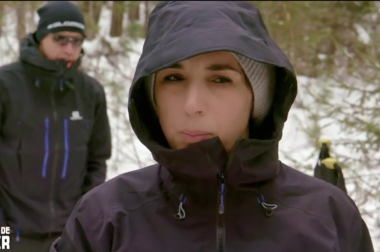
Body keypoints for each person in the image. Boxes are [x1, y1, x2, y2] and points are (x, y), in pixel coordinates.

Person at [51, 1, 374, 252]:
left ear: (258, 98)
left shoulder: (327, 216)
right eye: (173, 78)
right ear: (151, 97)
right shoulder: (105, 217)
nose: (192, 105)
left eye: (220, 79)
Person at [0, 1, 111, 251]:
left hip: (69, 231)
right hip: (8, 231)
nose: (69, 48)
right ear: (41, 37)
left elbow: (98, 160)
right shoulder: (5, 85)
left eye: (77, 40)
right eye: (60, 39)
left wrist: (86, 217)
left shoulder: (91, 92)